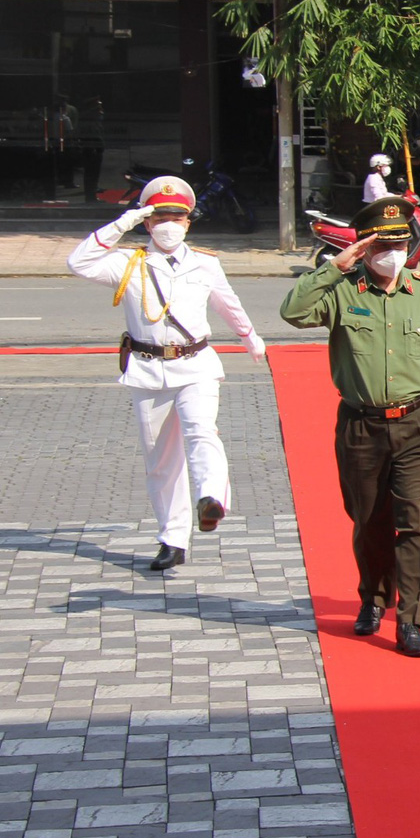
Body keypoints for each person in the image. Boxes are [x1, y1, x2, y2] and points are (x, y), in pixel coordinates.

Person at [282, 195, 420, 656]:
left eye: (400, 244)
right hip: (361, 426)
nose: (393, 254)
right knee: (368, 520)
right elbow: (293, 312)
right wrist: (334, 268)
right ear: (365, 248)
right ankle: (373, 598)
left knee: (415, 521)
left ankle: (411, 620)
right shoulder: (344, 292)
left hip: (418, 422)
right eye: (382, 246)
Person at [68, 176, 265, 571]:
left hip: (196, 365)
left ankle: (211, 499)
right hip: (147, 369)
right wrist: (123, 223)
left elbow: (228, 303)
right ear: (147, 221)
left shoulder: (206, 263)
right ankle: (172, 539)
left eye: (177, 216)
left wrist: (250, 337)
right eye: (159, 217)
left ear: (190, 221)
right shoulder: (128, 262)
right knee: (161, 461)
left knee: (201, 430)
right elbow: (78, 262)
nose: (168, 224)